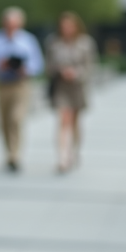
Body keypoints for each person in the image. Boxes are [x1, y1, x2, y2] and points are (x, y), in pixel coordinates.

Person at [0, 6, 43, 172]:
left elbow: (38, 64)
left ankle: (15, 155)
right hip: (2, 84)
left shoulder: (28, 40)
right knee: (4, 121)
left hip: (21, 85)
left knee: (16, 118)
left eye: (14, 24)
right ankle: (8, 152)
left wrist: (26, 69)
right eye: (8, 24)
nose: (11, 27)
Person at [44, 12, 98, 173]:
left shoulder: (86, 43)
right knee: (63, 119)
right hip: (61, 87)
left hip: (78, 87)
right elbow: (48, 66)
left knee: (74, 121)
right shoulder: (53, 43)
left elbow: (91, 66)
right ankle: (63, 156)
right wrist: (60, 71)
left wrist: (76, 73)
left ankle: (74, 151)